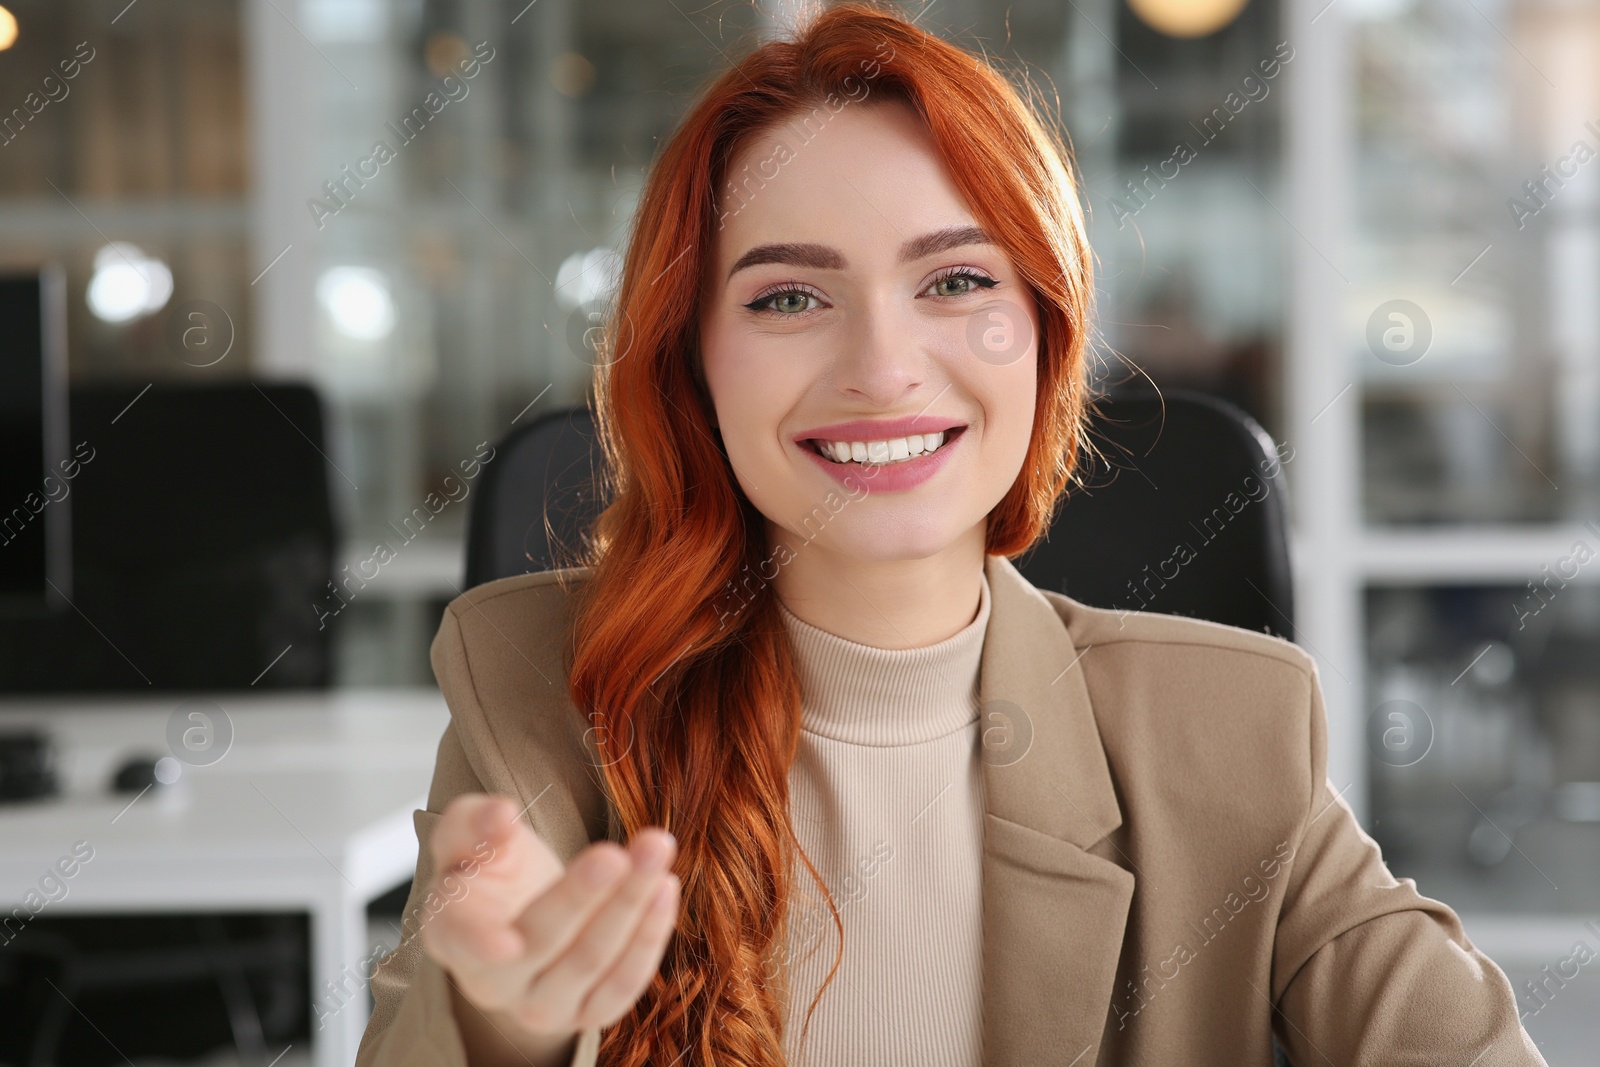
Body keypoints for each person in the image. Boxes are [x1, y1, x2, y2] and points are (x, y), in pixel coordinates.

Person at [356, 4, 1546, 1066]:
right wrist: (499, 1023)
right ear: (691, 366)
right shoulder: (535, 685)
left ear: (1044, 329)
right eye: (786, 297)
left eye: (956, 281)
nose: (880, 367)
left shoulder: (1228, 728)